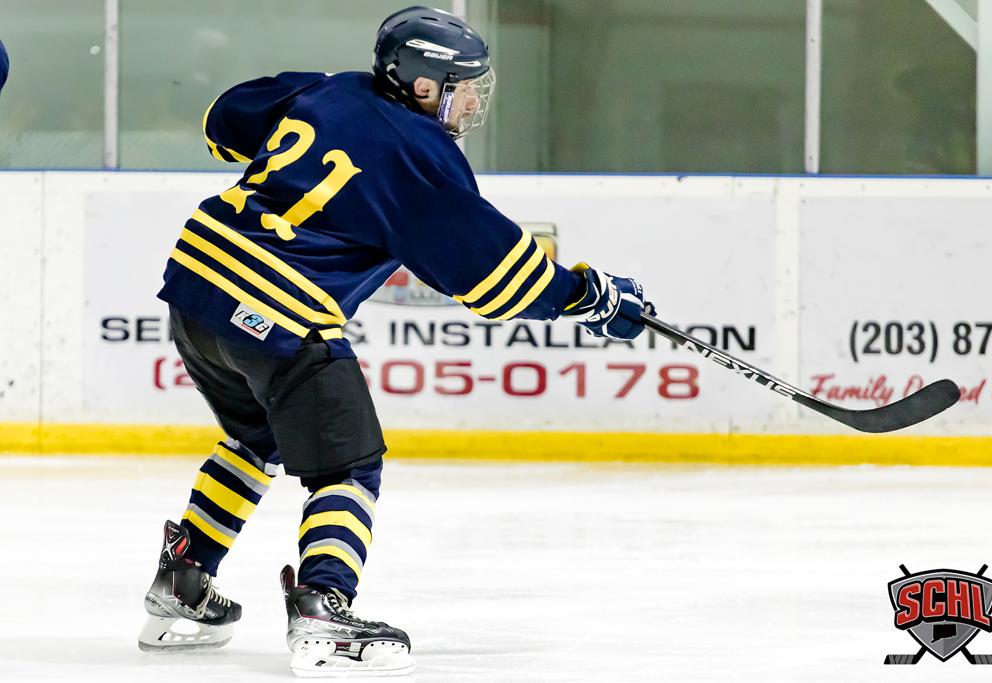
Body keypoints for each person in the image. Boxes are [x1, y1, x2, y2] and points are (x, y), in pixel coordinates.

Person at [138, 5, 655, 677]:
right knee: (349, 467)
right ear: (421, 83)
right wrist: (587, 296)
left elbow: (224, 121)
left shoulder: (329, 87)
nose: (473, 101)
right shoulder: (421, 153)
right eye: (463, 86)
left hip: (195, 289)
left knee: (256, 440)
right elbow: (494, 276)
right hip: (278, 310)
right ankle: (323, 604)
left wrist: (322, 112)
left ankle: (183, 579)